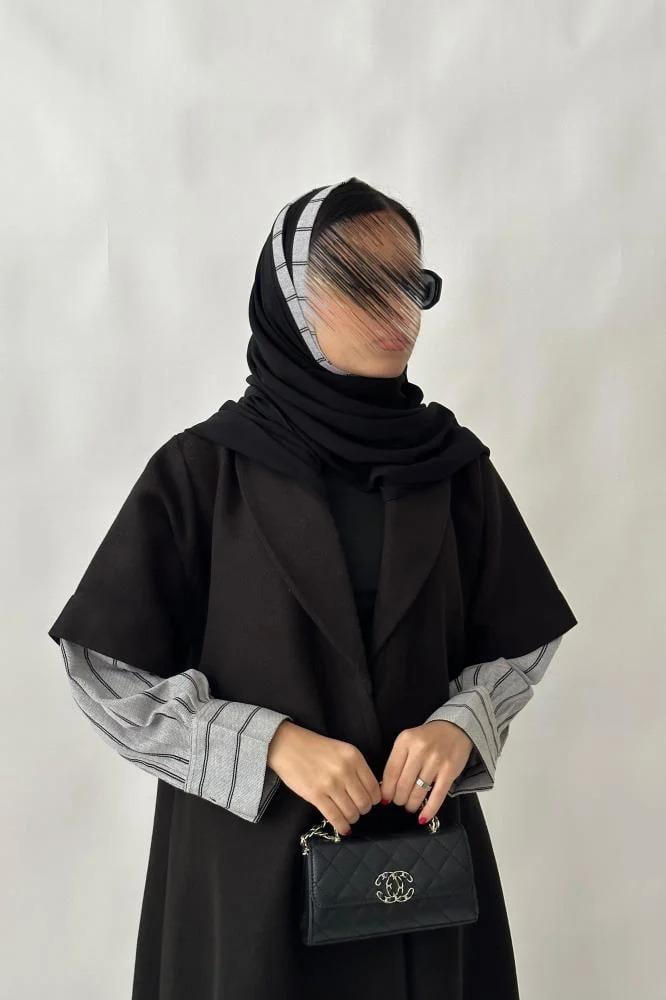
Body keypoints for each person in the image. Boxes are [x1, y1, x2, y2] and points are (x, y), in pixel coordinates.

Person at [48, 177, 577, 999]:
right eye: (362, 283)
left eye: (410, 283)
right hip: (246, 885)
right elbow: (104, 668)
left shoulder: (450, 469)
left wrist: (462, 725)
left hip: (421, 874)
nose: (396, 309)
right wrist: (267, 744)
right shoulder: (203, 472)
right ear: (290, 297)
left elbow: (521, 637)